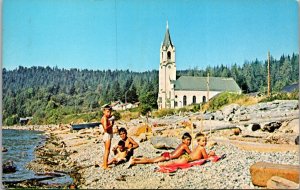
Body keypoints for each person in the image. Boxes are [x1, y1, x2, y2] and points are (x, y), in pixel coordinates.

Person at [128, 132, 192, 167]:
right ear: (183, 140)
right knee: (151, 161)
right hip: (168, 156)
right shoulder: (184, 146)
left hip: (167, 155)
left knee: (151, 159)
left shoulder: (182, 144)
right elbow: (191, 154)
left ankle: (135, 159)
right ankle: (134, 161)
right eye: (188, 140)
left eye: (190, 140)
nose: (189, 142)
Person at [100, 104, 114, 170]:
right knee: (107, 150)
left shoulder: (106, 118)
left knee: (106, 150)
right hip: (107, 134)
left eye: (110, 112)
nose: (109, 113)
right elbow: (105, 128)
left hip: (108, 134)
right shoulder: (104, 118)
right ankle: (105, 166)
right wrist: (111, 125)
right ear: (104, 111)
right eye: (107, 111)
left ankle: (104, 164)